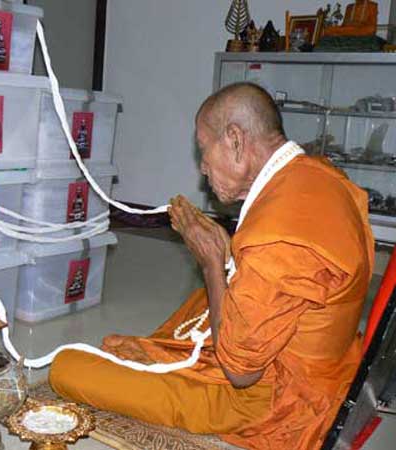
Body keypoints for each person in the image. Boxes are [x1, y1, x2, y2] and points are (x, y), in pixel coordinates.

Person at [49, 82, 374, 450]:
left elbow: (241, 373)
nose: (202, 167)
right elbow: (284, 280)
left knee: (68, 368)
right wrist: (228, 255)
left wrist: (211, 265)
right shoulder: (318, 174)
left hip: (272, 400)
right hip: (320, 357)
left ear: (235, 139)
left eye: (204, 150)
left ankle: (158, 375)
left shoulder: (278, 240)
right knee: (201, 304)